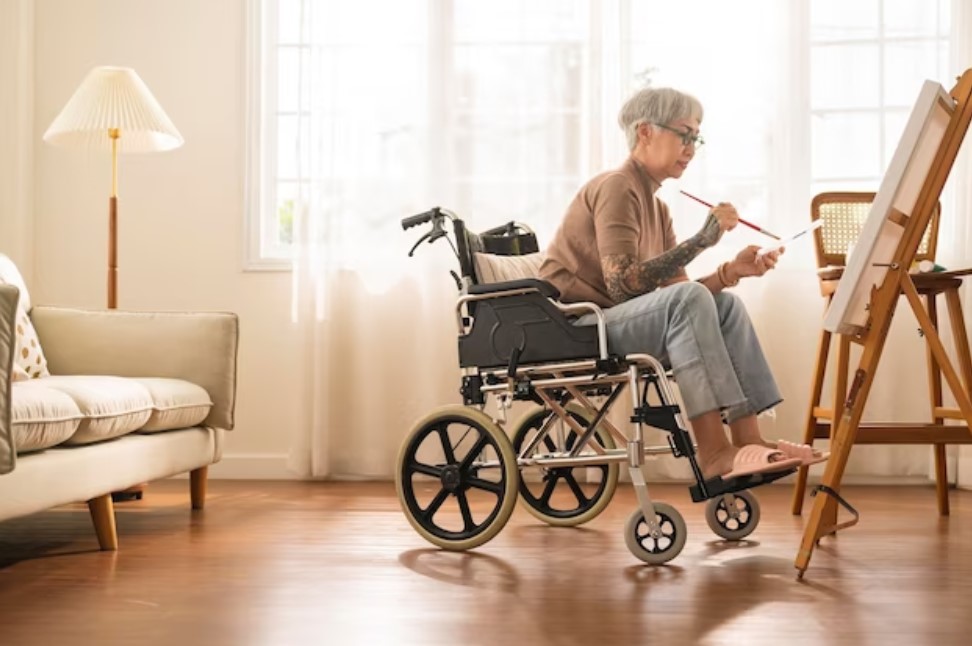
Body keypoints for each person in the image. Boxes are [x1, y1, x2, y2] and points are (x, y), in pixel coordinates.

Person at [539, 86, 827, 480]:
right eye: (684, 135)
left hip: (613, 323)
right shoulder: (617, 186)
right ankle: (714, 452)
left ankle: (748, 441)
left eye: (696, 138)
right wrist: (701, 241)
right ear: (645, 132)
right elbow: (622, 285)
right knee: (692, 300)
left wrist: (730, 272)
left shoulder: (658, 208)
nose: (691, 149)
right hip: (577, 327)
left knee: (725, 307)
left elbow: (684, 298)